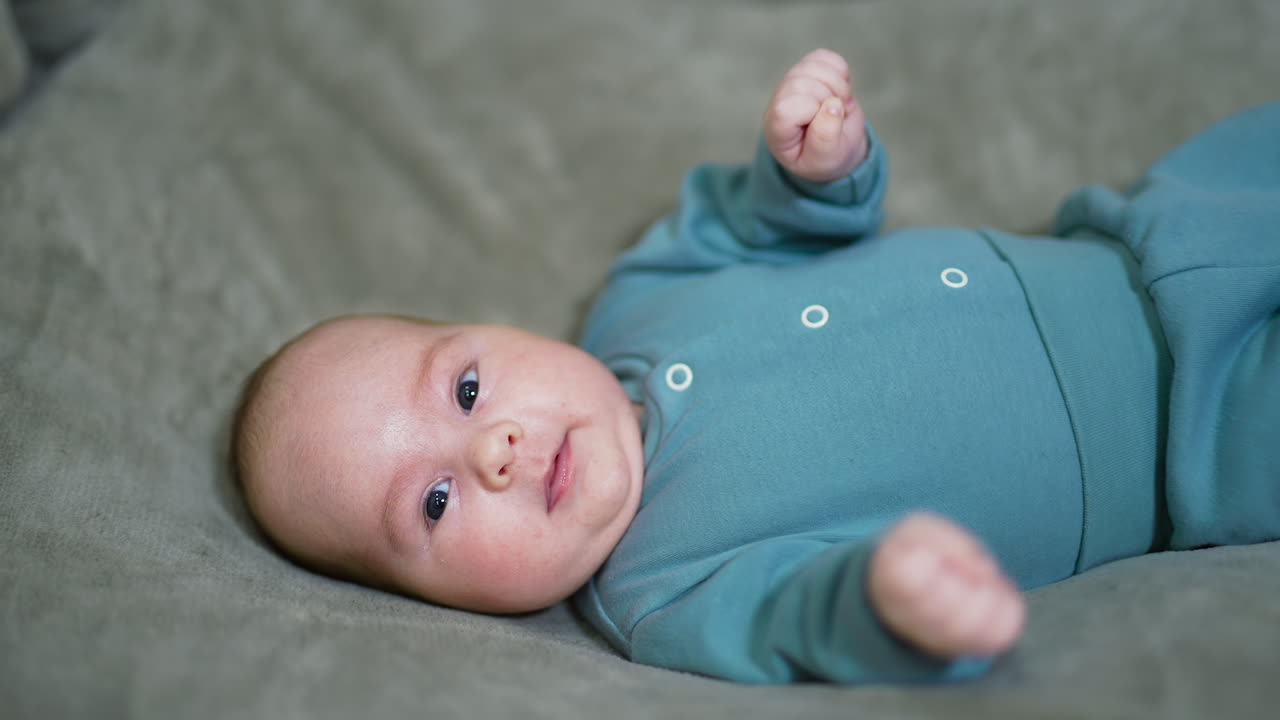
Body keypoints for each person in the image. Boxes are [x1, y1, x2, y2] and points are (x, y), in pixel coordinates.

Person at [233, 49, 1280, 685]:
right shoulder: (665, 595)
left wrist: (809, 167)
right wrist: (887, 599)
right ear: (434, 608)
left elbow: (755, 225)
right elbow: (801, 618)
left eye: (465, 391)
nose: (493, 448)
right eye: (432, 503)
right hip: (1201, 434)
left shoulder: (640, 294)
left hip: (1142, 233)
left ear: (496, 329)